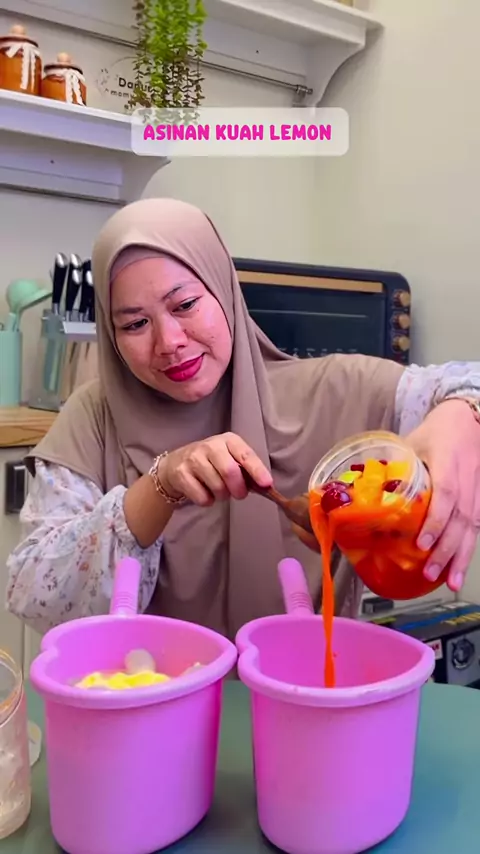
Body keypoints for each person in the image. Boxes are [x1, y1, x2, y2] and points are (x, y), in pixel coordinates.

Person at [6, 198, 480, 640]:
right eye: (135, 324)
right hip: (146, 694)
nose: (169, 341)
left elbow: (464, 385)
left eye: (185, 305)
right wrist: (161, 484)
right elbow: (35, 597)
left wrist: (462, 416)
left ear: (223, 290)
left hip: (303, 690)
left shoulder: (331, 392)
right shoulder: (92, 418)